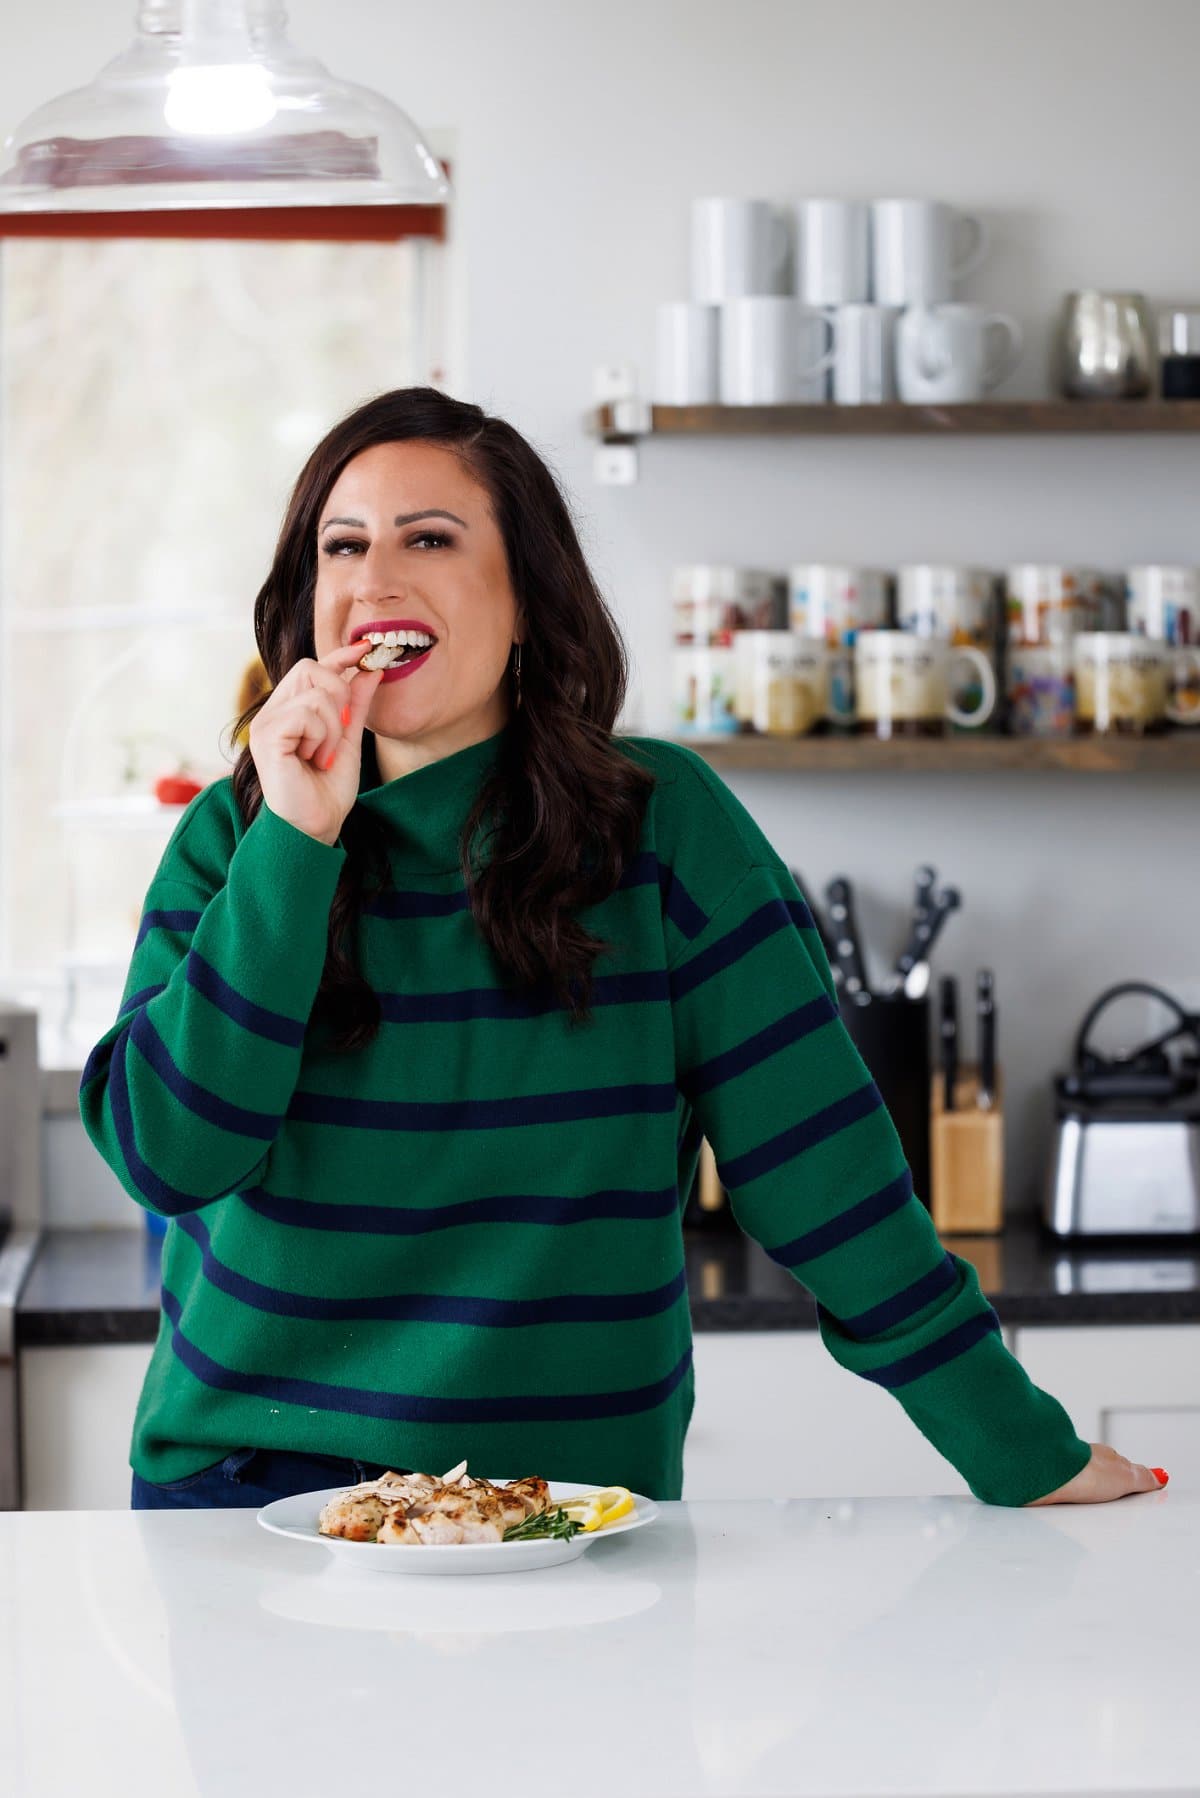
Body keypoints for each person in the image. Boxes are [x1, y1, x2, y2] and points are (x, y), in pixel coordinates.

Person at [79, 386, 1165, 1513]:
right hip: (250, 1491)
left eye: (430, 539)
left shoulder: (659, 827)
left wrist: (1019, 1447)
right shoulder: (239, 839)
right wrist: (296, 847)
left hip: (561, 1509)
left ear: (528, 599)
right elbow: (169, 1158)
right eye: (342, 546)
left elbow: (824, 1175)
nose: (374, 580)